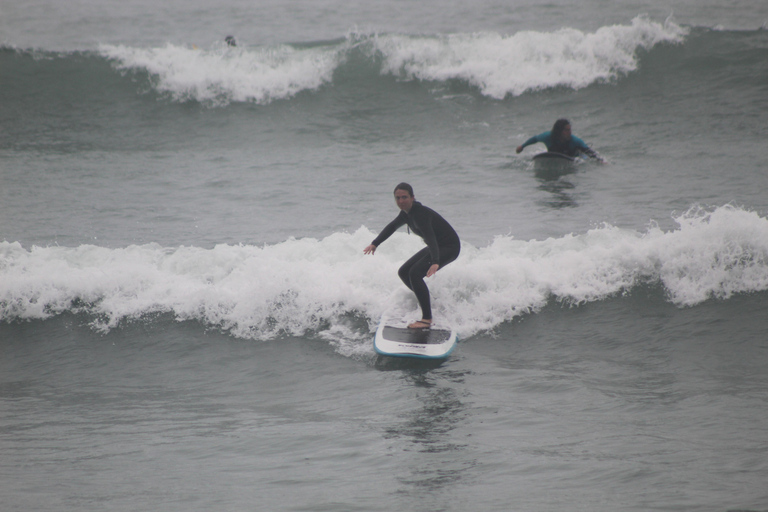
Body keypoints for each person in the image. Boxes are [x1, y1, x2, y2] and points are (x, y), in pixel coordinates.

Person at [363, 183, 460, 329]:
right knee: (404, 272)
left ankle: (427, 319)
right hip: (437, 247)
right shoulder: (406, 214)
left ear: (412, 198)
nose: (401, 201)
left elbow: (431, 237)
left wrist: (435, 261)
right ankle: (426, 301)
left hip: (449, 247)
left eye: (404, 197)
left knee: (415, 273)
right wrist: (375, 243)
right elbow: (392, 226)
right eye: (397, 198)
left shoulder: (421, 214)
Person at [516, 118, 605, 162]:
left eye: (570, 129)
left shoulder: (575, 141)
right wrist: (522, 146)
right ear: (559, 131)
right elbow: (535, 139)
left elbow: (588, 151)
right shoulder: (548, 136)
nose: (570, 132)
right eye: (567, 130)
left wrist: (600, 161)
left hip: (573, 157)